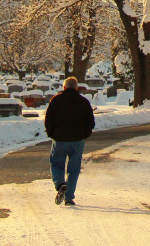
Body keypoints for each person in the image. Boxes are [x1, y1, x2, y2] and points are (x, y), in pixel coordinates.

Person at [44, 76, 95, 206]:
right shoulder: (83, 102)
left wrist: (51, 133)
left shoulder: (56, 100)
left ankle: (60, 184)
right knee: (74, 169)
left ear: (64, 87)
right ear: (76, 88)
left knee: (56, 164)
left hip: (59, 138)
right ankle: (69, 197)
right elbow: (90, 121)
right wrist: (85, 134)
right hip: (77, 139)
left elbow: (48, 119)